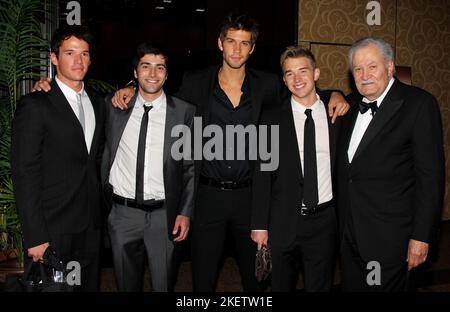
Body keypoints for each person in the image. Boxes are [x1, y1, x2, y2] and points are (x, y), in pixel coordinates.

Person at [111, 13, 349, 292]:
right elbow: (160, 97)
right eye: (231, 41)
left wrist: (335, 93)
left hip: (250, 197)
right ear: (220, 43)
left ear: (253, 48)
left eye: (244, 43)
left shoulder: (269, 85)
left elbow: (304, 96)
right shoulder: (195, 81)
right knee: (203, 278)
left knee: (256, 281)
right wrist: (129, 88)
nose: (237, 49)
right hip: (206, 197)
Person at [337, 37, 445, 291]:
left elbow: (431, 179)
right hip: (349, 235)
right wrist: (332, 93)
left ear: (390, 67)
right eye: (358, 69)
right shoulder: (349, 105)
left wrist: (421, 237)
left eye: (372, 66)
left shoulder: (419, 104)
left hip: (392, 239)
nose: (364, 75)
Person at [11, 26, 105, 291]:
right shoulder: (36, 104)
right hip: (52, 228)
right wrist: (35, 235)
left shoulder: (98, 102)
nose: (79, 61)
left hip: (90, 226)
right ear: (54, 58)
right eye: (70, 53)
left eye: (85, 54)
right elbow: (24, 172)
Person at [102, 43, 195, 292]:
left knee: (164, 284)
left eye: (159, 68)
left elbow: (189, 167)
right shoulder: (114, 107)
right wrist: (44, 85)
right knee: (125, 285)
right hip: (122, 215)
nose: (152, 74)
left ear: (167, 74)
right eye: (146, 67)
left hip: (163, 217)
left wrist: (184, 212)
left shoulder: (184, 112)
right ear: (135, 73)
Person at [252, 46, 340, 291]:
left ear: (316, 73)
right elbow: (262, 173)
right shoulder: (271, 117)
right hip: (283, 220)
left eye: (303, 71)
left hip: (325, 222)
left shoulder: (337, 114)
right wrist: (260, 225)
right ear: (284, 79)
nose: (297, 79)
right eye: (290, 73)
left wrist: (339, 94)